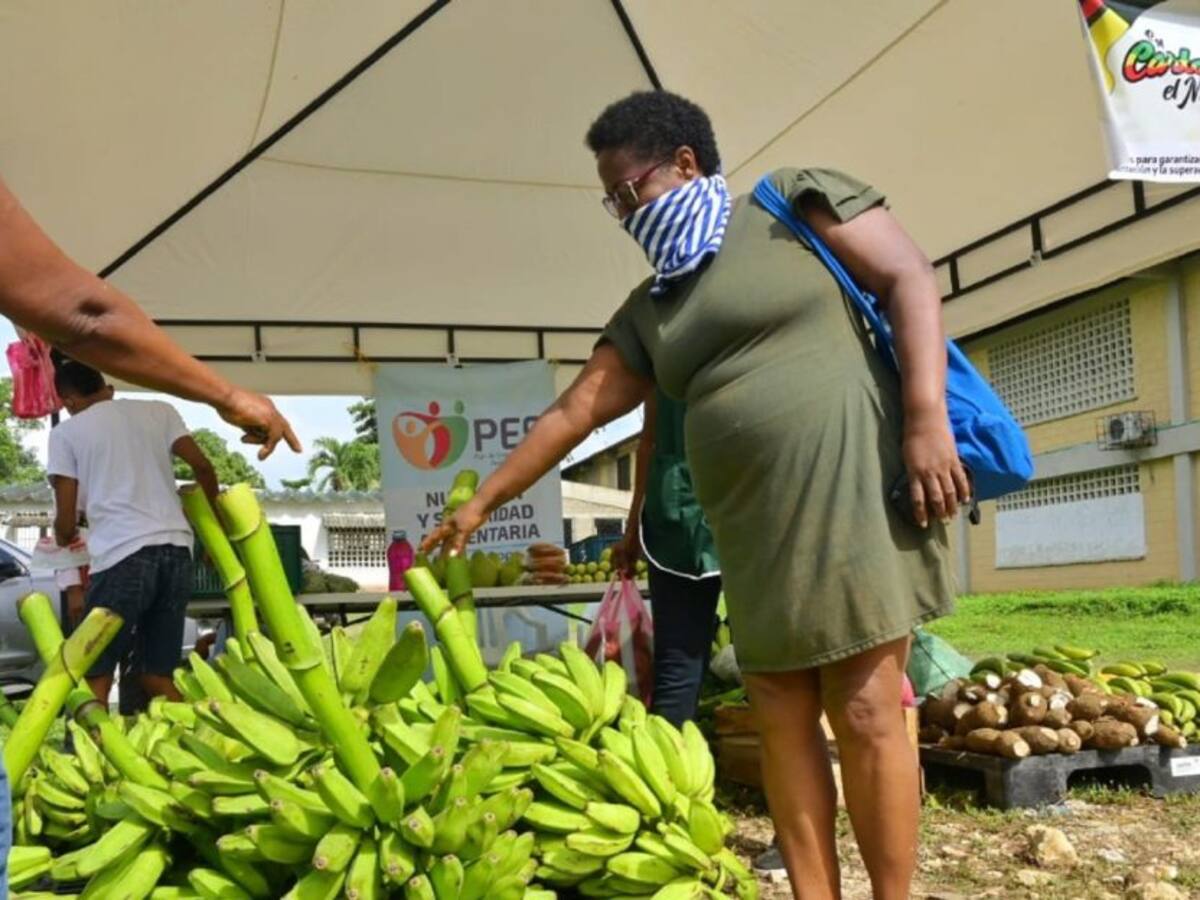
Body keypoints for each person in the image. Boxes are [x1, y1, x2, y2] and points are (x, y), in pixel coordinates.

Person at [425, 91, 967, 900]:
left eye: (627, 189)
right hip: (748, 531)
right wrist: (480, 504)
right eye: (608, 201)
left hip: (850, 497)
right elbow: (576, 410)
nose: (621, 213)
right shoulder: (651, 310)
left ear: (685, 163)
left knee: (863, 712)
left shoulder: (791, 205)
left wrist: (926, 418)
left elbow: (908, 277)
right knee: (782, 717)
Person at [0, 175, 299, 459]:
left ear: (68, 400)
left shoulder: (68, 434)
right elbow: (82, 317)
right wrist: (229, 396)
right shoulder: (156, 415)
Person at [48, 359, 220, 705]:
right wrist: (214, 530)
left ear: (68, 401)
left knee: (94, 672)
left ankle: (83, 754)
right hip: (176, 550)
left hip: (122, 556)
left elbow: (66, 522)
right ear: (106, 388)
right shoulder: (160, 410)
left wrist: (64, 534)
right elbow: (202, 466)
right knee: (156, 675)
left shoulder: (66, 433)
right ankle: (203, 738)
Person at [612, 388, 722, 729]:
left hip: (676, 511)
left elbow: (650, 440)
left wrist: (632, 530)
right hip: (748, 500)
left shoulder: (661, 340)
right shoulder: (763, 335)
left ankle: (667, 773)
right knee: (771, 663)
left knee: (679, 661)